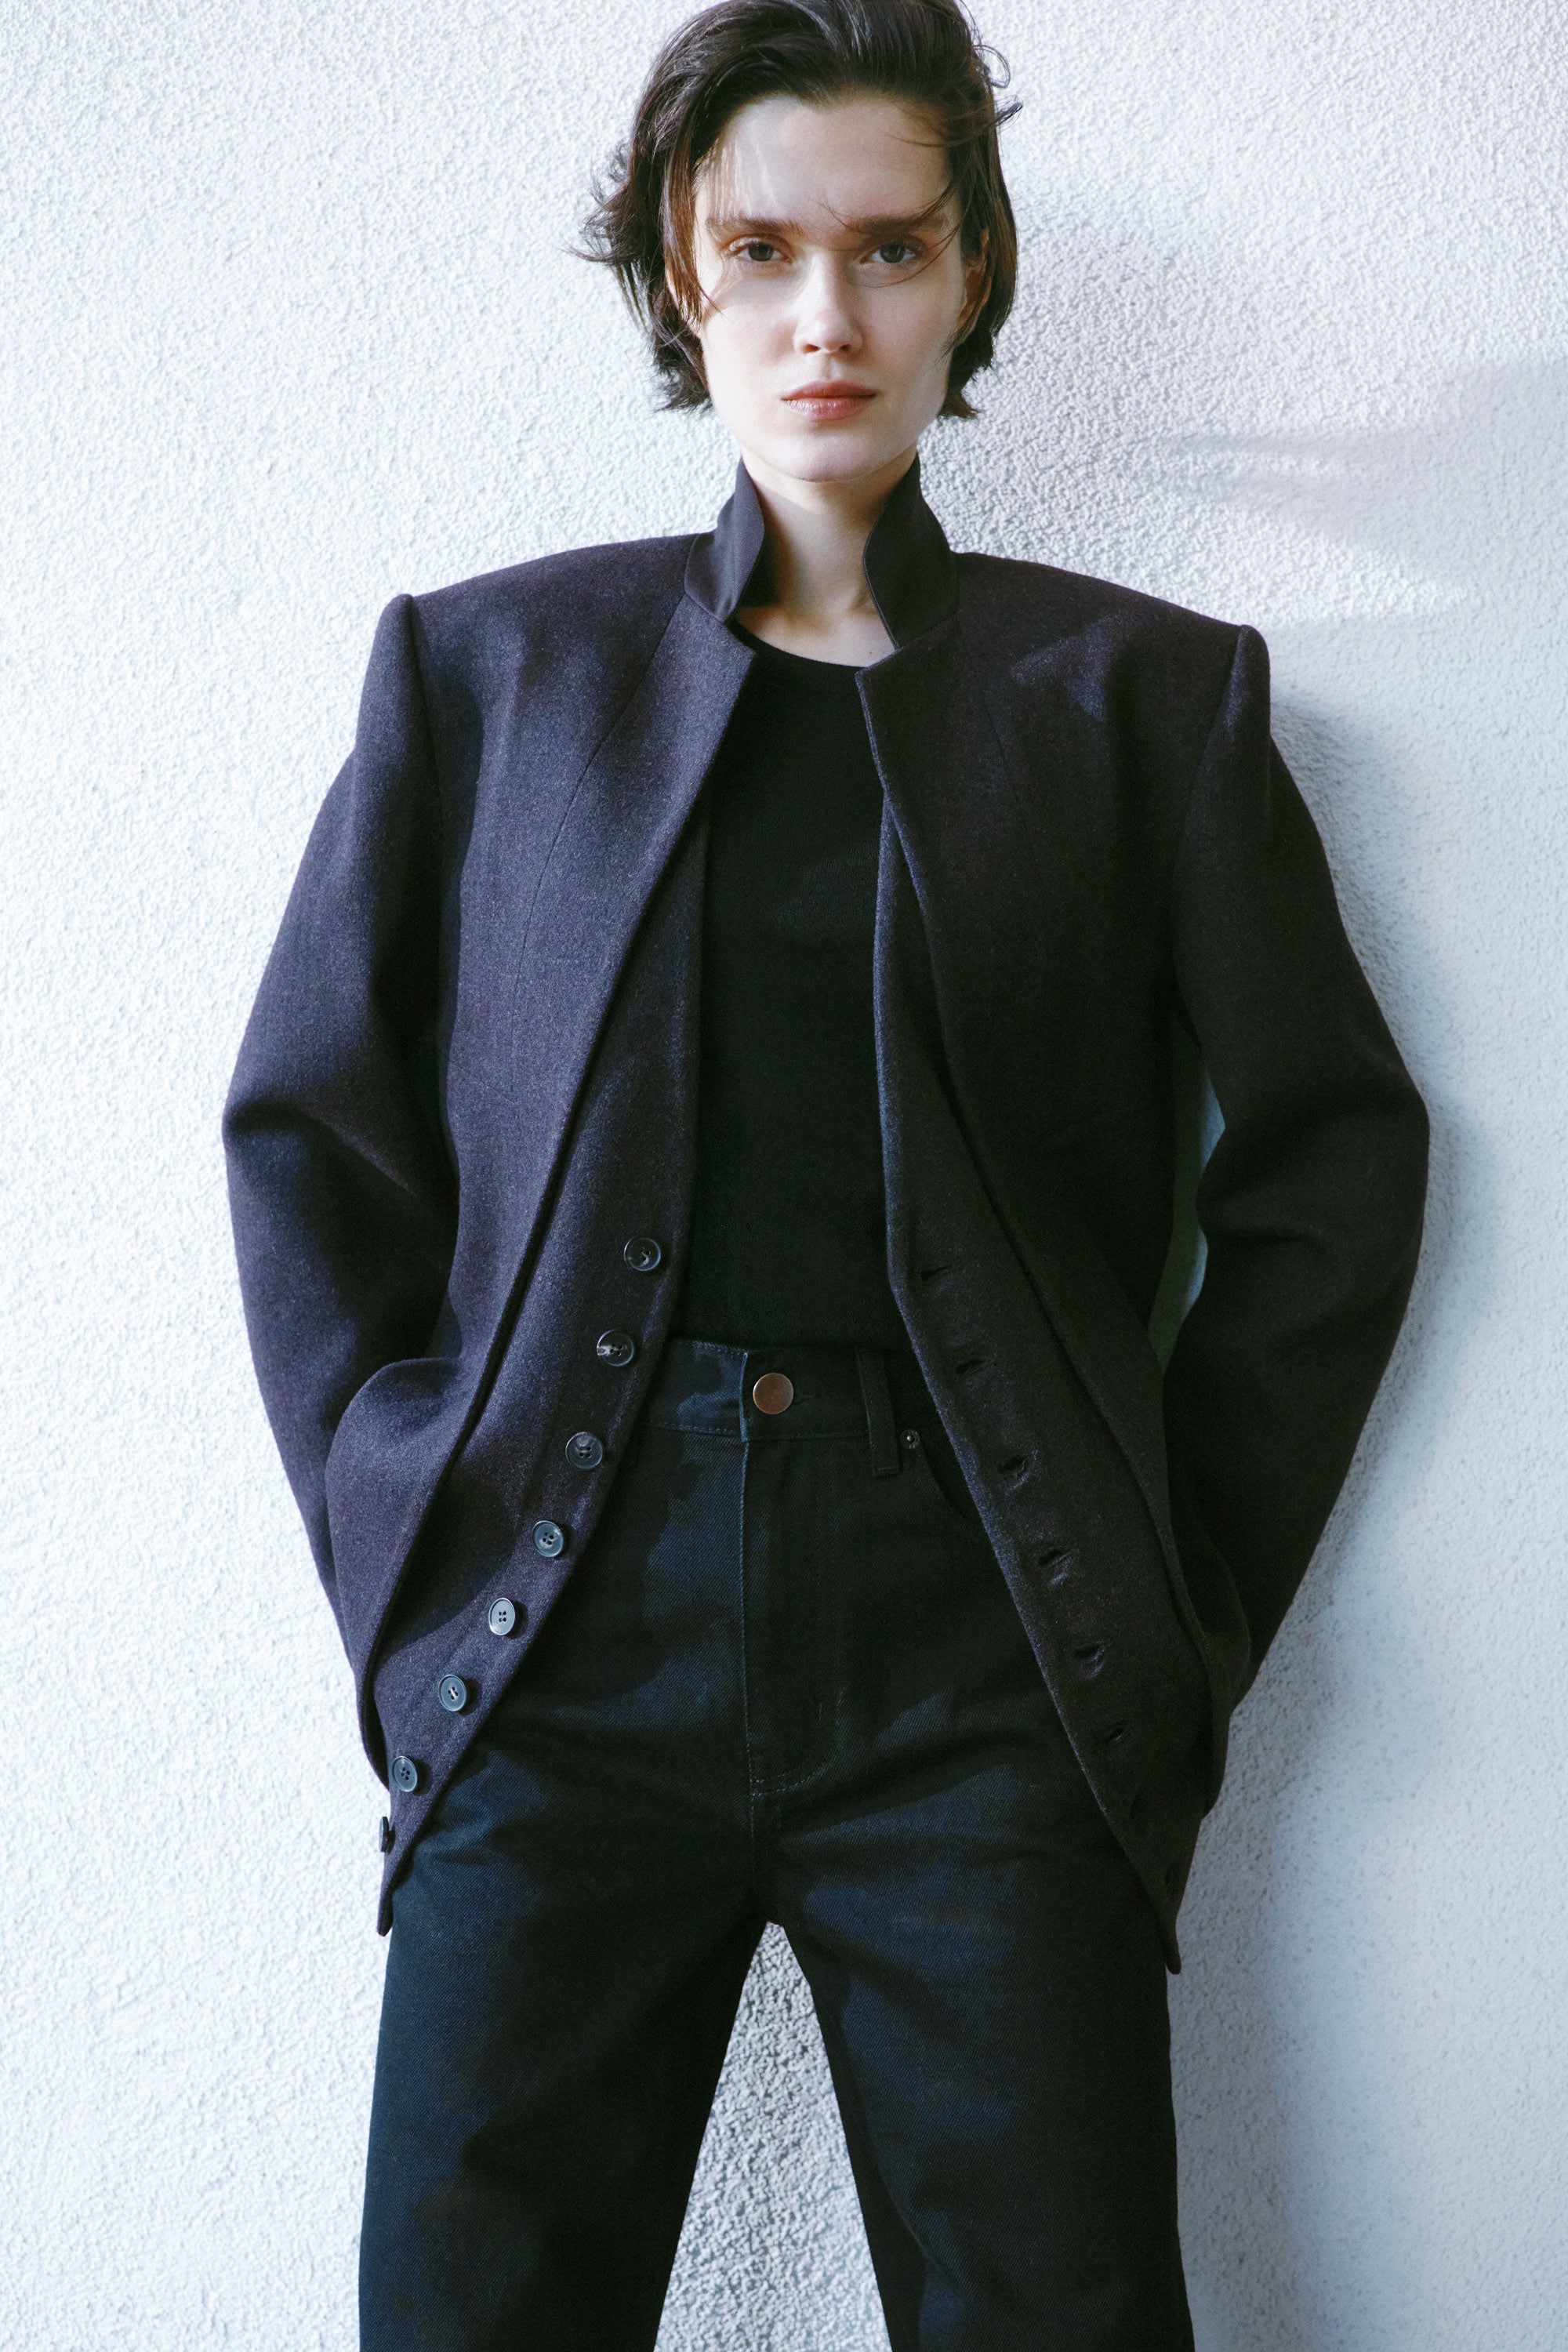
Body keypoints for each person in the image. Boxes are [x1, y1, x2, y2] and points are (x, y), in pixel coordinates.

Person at [223, 2, 1429, 2343]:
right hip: (557, 1633)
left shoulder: (1145, 705)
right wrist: (409, 1520)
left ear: (971, 273)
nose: (825, 316)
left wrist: (1169, 1583)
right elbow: (309, 1132)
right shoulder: (488, 679)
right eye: (762, 251)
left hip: (986, 1662)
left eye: (888, 248)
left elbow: (1332, 1162)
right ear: (680, 278)